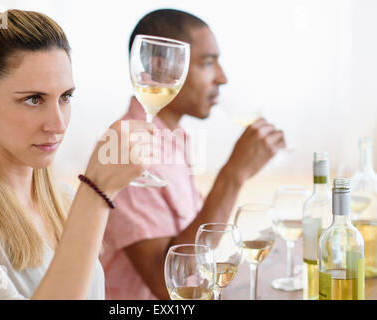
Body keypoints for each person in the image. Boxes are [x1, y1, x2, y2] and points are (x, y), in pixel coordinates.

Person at [0, 9, 155, 300]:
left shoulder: (65, 201)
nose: (58, 124)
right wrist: (96, 194)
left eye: (65, 97)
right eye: (34, 99)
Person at [100, 9, 286, 300]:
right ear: (161, 68)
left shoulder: (173, 138)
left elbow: (198, 247)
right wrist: (234, 174)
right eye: (208, 63)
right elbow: (167, 286)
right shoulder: (126, 150)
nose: (222, 78)